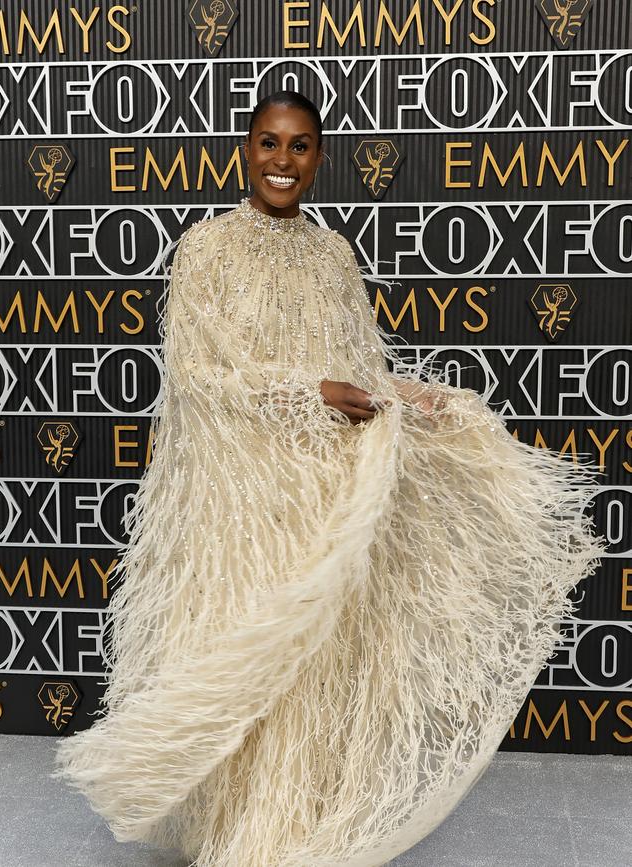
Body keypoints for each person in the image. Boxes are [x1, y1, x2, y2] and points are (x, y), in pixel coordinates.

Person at [51, 91, 607, 867]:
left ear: (320, 158)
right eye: (270, 142)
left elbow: (357, 366)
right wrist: (305, 394)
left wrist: (415, 398)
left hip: (321, 491)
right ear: (246, 149)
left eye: (302, 145)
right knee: (252, 649)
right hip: (242, 502)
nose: (284, 160)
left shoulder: (335, 254)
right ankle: (237, 832)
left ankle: (287, 828)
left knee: (311, 664)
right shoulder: (206, 248)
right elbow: (200, 374)